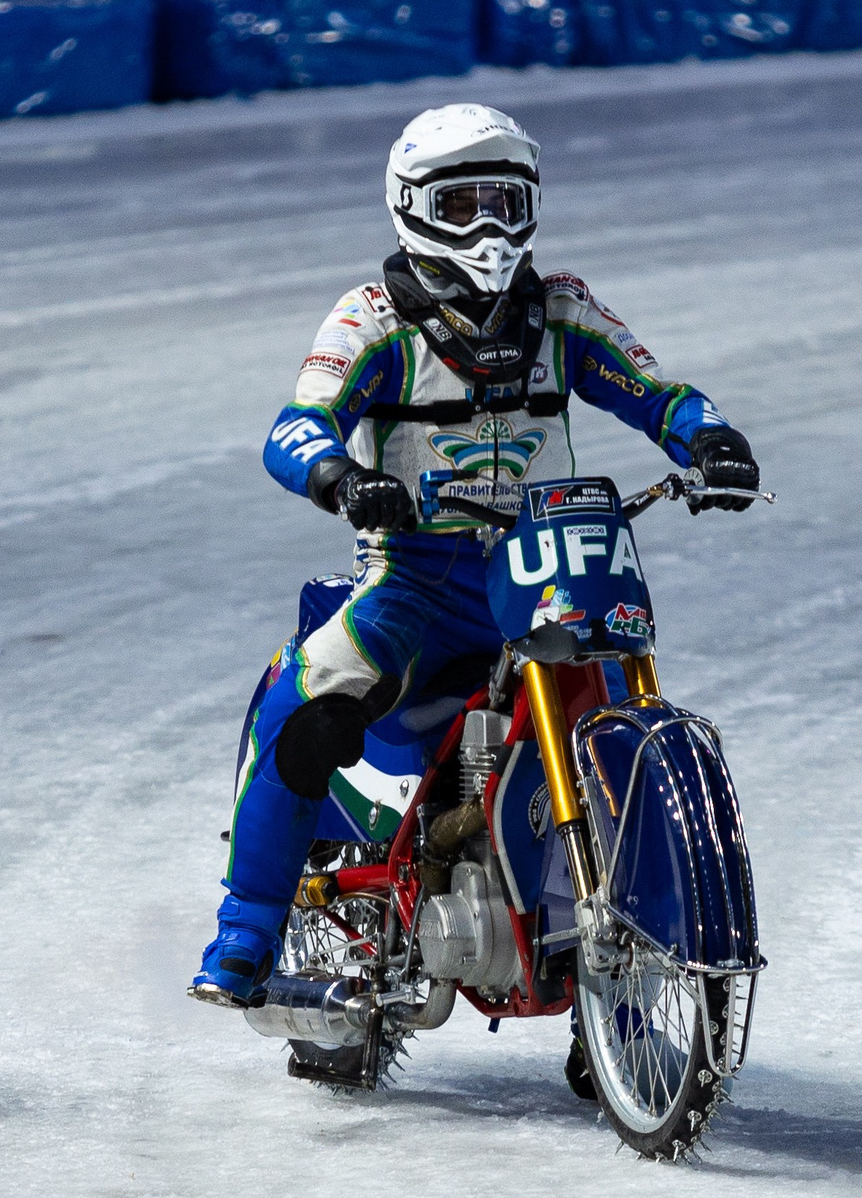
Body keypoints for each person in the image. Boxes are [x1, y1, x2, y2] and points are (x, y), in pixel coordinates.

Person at [190, 104, 759, 1008]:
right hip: (415, 581)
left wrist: (710, 436)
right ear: (412, 207)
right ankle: (246, 930)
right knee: (305, 708)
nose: (488, 227)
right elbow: (296, 426)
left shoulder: (563, 311)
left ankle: (614, 967)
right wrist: (341, 478)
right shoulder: (373, 320)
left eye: (505, 201)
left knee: (617, 713)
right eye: (463, 204)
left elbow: (656, 389)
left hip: (548, 564)